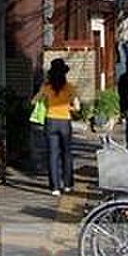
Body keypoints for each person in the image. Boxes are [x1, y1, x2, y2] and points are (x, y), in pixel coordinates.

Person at [33, 58, 79, 196]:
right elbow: (77, 107)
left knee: (53, 155)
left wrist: (46, 103)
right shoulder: (70, 87)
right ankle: (68, 185)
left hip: (50, 121)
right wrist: (68, 107)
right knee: (66, 153)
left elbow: (34, 101)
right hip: (65, 122)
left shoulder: (46, 87)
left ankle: (55, 188)